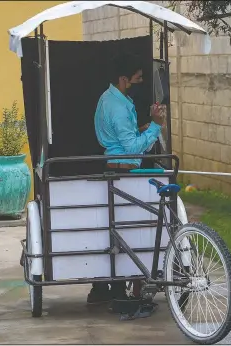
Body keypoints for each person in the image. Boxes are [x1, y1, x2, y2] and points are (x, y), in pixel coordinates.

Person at [88, 53, 165, 304]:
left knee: (116, 226)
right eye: (137, 77)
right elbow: (131, 148)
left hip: (116, 167)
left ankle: (109, 287)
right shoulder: (118, 107)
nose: (139, 81)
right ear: (123, 78)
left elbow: (122, 137)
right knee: (132, 230)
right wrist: (155, 126)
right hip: (125, 171)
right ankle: (130, 289)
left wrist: (143, 127)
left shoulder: (109, 98)